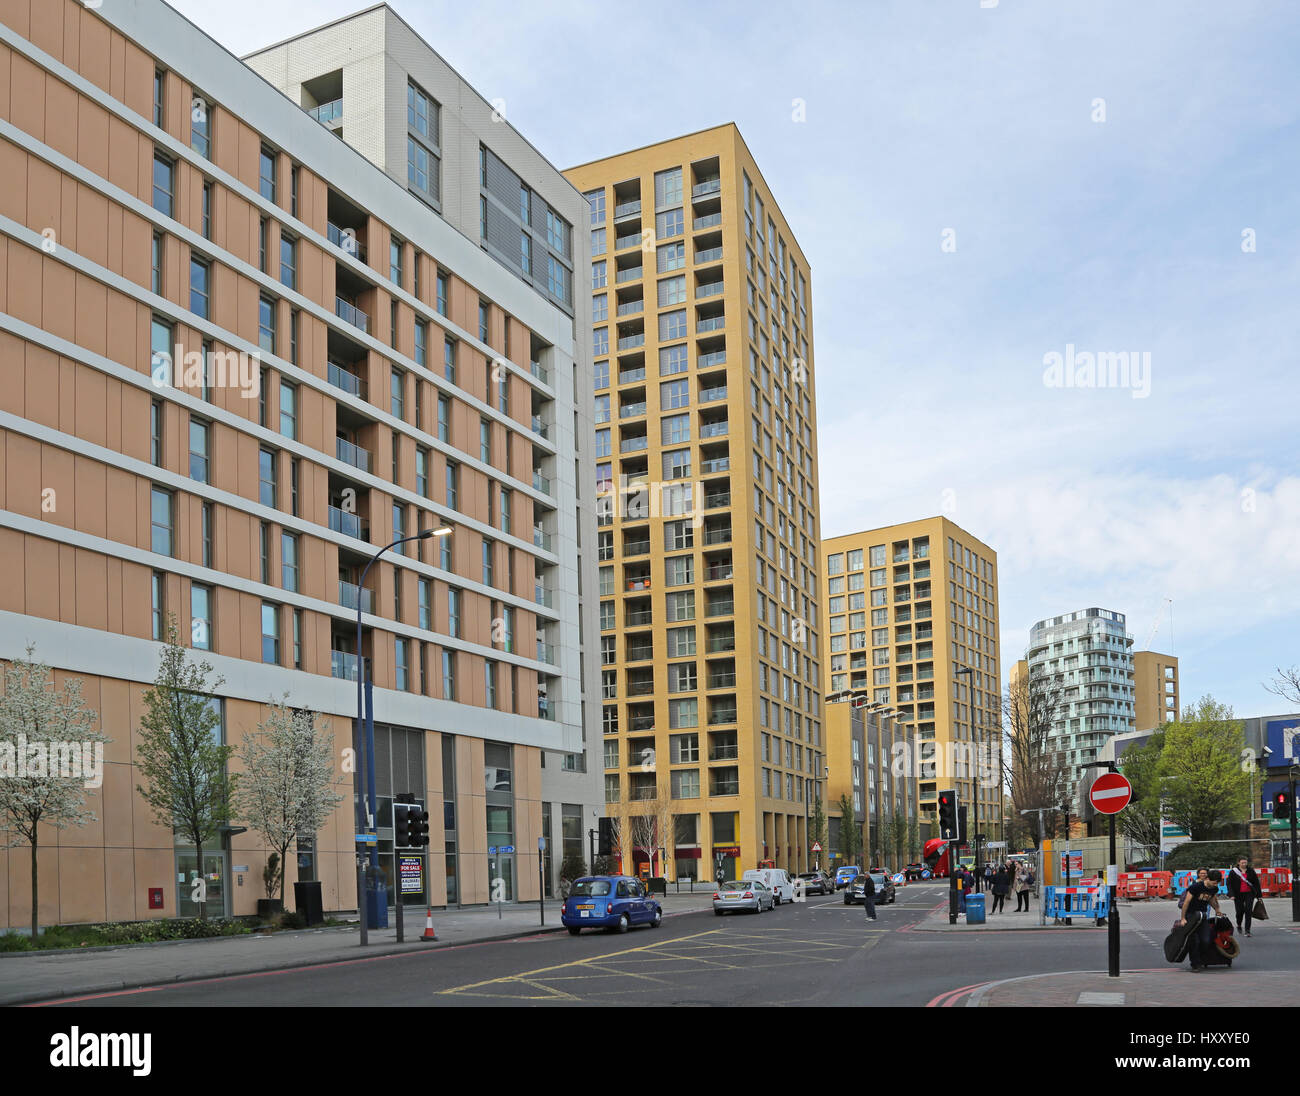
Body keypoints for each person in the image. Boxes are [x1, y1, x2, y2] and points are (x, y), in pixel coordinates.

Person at [1180, 868, 1224, 972]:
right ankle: (1195, 964)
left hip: (1203, 915)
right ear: (1208, 878)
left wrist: (1217, 910)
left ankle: (1200, 959)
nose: (1215, 885)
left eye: (1217, 883)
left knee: (1206, 940)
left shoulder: (1214, 889)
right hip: (1191, 915)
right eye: (1213, 882)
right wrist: (1183, 918)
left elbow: (1211, 900)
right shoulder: (1196, 887)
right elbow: (1186, 903)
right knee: (1194, 940)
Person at [1226, 857, 1261, 937]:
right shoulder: (1233, 872)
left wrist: (1259, 895)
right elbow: (1229, 884)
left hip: (1249, 893)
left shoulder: (1251, 871)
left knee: (1248, 911)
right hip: (1238, 894)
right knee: (1239, 911)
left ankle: (1247, 930)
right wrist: (1231, 894)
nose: (1244, 864)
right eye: (1242, 863)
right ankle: (1239, 924)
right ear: (1239, 863)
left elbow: (1256, 883)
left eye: (1245, 863)